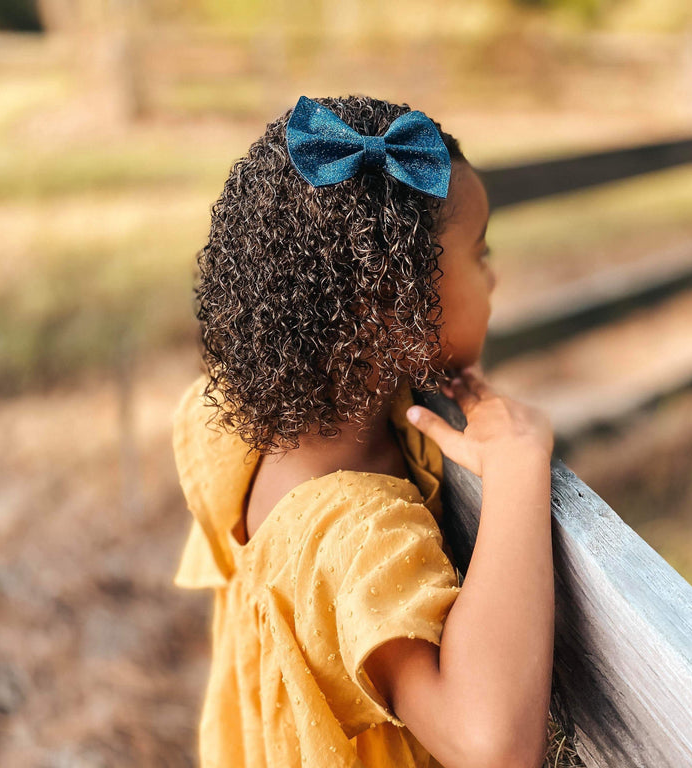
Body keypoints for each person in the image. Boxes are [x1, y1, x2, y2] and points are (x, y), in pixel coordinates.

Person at [171, 93, 556, 768]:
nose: (493, 274)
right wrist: (520, 463)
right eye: (481, 250)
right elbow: (490, 744)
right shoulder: (357, 531)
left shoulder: (225, 419)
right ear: (392, 302)